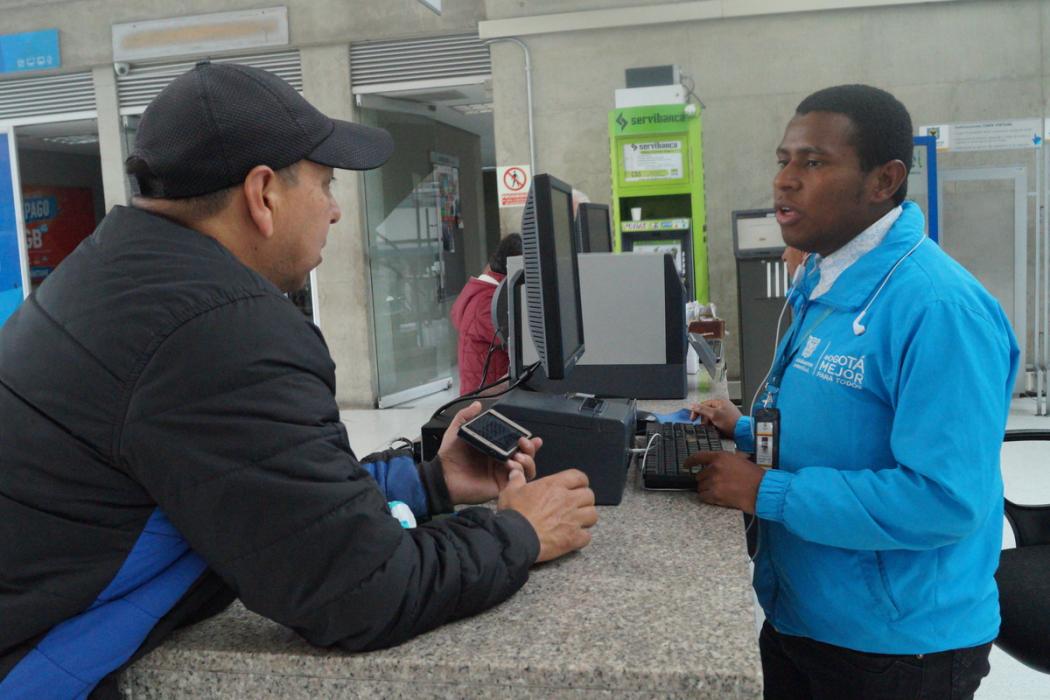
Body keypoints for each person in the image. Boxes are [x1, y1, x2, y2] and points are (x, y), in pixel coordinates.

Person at [0, 62, 598, 698]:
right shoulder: (223, 330)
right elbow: (359, 592)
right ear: (263, 195)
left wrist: (429, 482)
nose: (336, 213)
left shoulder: (110, 273)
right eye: (326, 184)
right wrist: (520, 532)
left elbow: (265, 490)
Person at [690, 85, 1018, 699]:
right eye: (783, 159)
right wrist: (741, 427)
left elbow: (945, 499)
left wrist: (768, 491)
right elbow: (837, 421)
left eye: (813, 162)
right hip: (803, 608)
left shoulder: (938, 309)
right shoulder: (826, 275)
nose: (785, 180)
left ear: (883, 180)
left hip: (896, 647)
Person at [451, 233, 521, 395]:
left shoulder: (477, 292)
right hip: (484, 401)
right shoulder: (488, 304)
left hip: (477, 393)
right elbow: (522, 349)